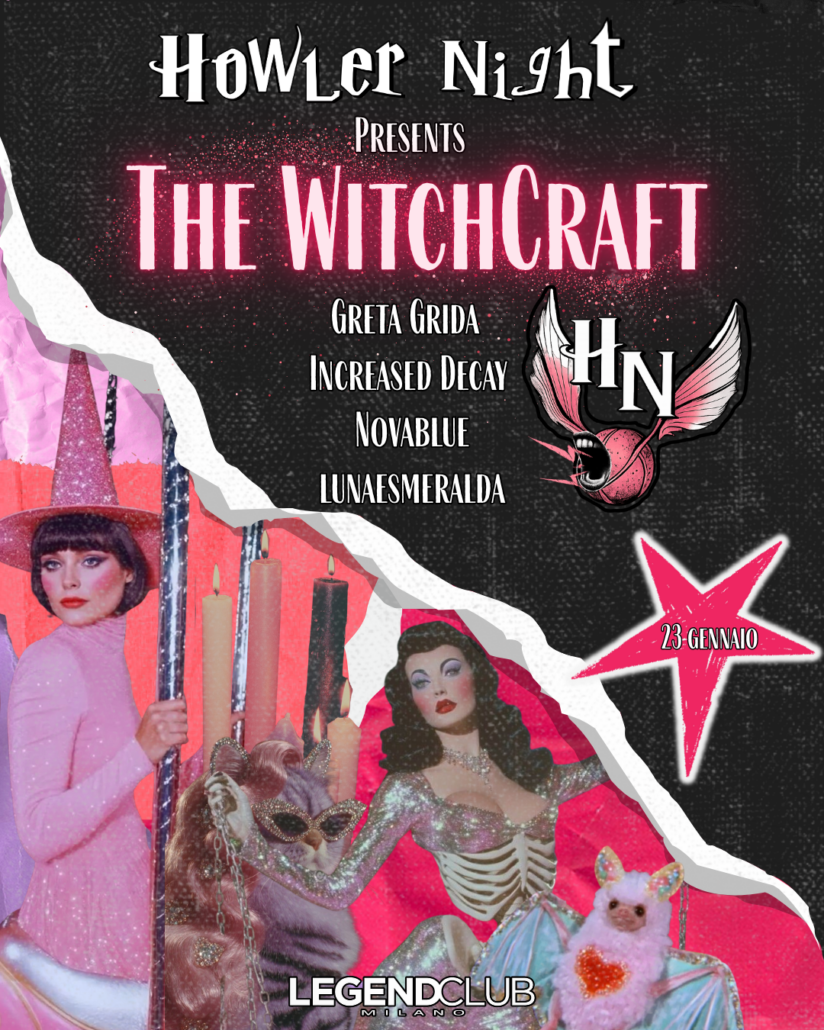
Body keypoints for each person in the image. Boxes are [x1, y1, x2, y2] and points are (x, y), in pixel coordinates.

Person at [208, 620, 608, 1028]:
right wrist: (251, 844)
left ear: (477, 675)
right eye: (421, 681)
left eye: (451, 670)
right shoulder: (410, 789)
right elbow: (339, 888)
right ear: (410, 698)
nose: (438, 689)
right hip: (465, 968)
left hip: (559, 952)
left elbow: (613, 766)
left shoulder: (535, 774)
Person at [0, 350, 187, 984]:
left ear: (130, 569)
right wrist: (141, 753)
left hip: (126, 901)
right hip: (82, 934)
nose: (69, 581)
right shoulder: (52, 665)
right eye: (53, 564)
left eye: (90, 560)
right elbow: (40, 830)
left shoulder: (104, 654)